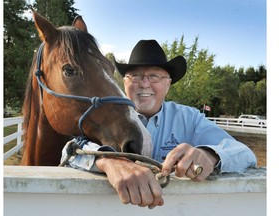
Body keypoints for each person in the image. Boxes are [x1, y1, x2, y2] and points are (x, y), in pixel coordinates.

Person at [61, 39, 257, 209]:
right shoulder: (105, 114)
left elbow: (245, 153)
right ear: (125, 83)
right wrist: (107, 162)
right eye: (135, 76)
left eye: (154, 76)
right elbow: (71, 150)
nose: (144, 84)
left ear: (168, 84)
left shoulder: (190, 118)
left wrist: (210, 155)